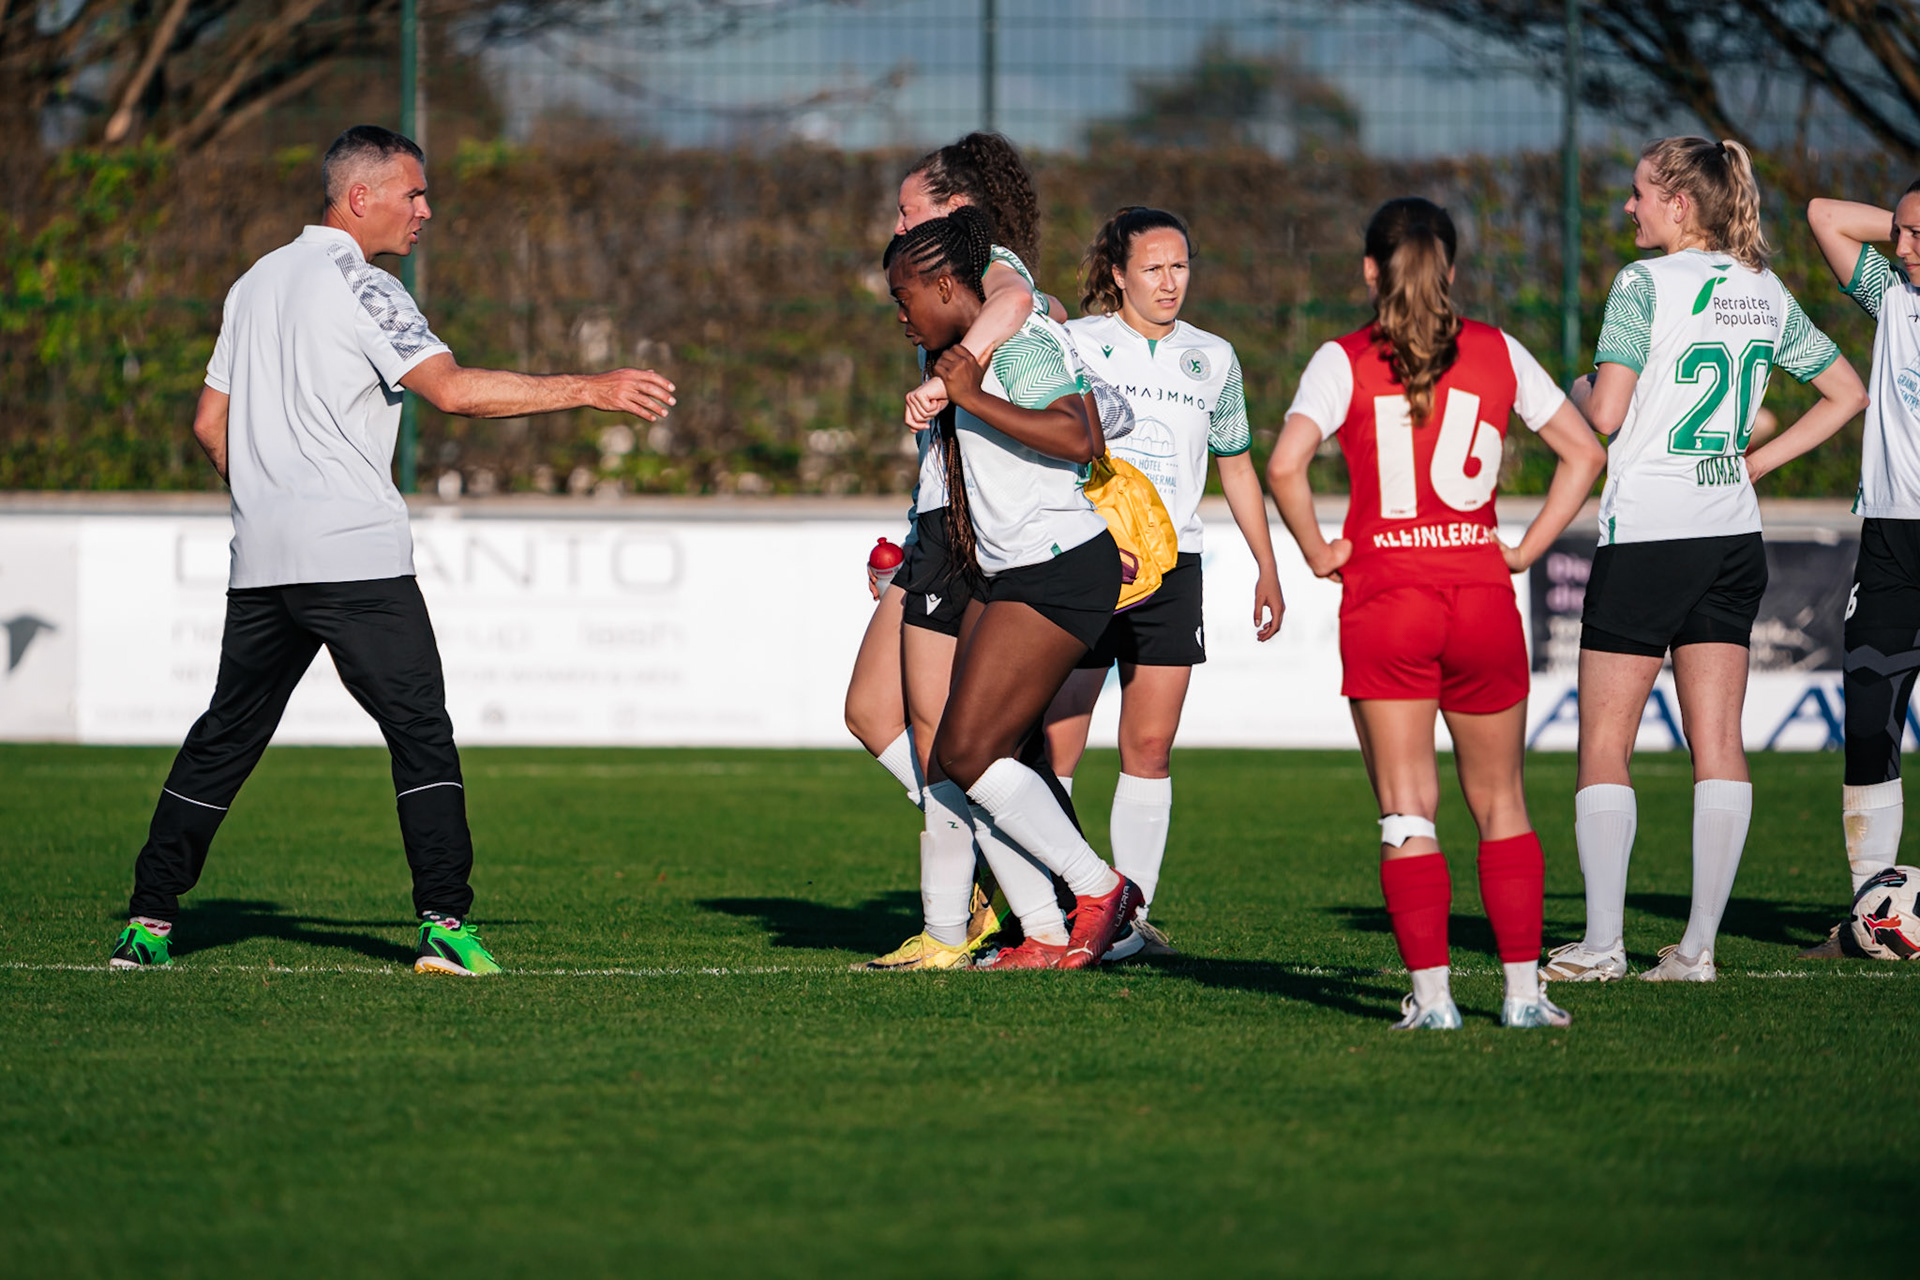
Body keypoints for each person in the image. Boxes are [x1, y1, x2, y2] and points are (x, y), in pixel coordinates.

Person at [107, 125, 675, 975]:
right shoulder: (363, 284)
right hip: (356, 559)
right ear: (358, 196)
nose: (425, 210)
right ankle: (444, 923)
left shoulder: (254, 281)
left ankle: (149, 919)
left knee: (225, 736)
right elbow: (452, 391)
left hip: (265, 561)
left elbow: (207, 423)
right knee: (419, 734)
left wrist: (269, 497)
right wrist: (589, 388)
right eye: (412, 194)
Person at [1268, 196, 1607, 1028]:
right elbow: (1586, 452)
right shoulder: (1497, 350)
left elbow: (1284, 466)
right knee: (1503, 805)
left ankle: (1435, 1002)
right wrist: (1524, 550)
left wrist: (1318, 552)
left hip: (1388, 601)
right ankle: (1525, 998)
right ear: (1452, 269)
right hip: (1483, 597)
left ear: (1370, 271)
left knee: (1408, 807)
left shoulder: (1342, 359)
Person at [1543, 138, 1867, 984]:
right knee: (1716, 739)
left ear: (1680, 204)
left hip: (1652, 530)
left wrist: (1572, 391)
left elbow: (1604, 416)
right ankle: (1697, 951)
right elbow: (1848, 393)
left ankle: (1604, 945)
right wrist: (1755, 464)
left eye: (1641, 193)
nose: (1630, 208)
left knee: (1603, 745)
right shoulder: (1762, 288)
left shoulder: (1641, 284)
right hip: (1731, 532)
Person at [887, 206, 1143, 970]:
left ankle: (1101, 890)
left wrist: (969, 396)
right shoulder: (966, 357)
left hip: (1062, 569)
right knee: (972, 756)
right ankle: (1044, 932)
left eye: (906, 299)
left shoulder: (1021, 351)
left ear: (943, 285)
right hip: (1016, 573)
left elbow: (1081, 433)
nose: (901, 317)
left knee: (967, 751)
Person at [844, 133, 1068, 971]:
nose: (898, 223)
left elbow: (1013, 299)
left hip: (973, 532)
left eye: (910, 209)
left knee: (950, 741)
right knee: (874, 713)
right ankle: (1001, 902)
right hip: (934, 525)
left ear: (956, 212)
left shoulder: (988, 268)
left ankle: (998, 917)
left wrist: (955, 371)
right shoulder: (932, 282)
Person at [1042, 207, 1285, 960]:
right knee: (1058, 745)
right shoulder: (1077, 345)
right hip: (1085, 558)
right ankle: (1053, 906)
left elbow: (1237, 461)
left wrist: (1267, 563)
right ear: (1117, 273)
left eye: (1180, 266)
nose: (1169, 281)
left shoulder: (1214, 358)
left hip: (1174, 566)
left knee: (1149, 745)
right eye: (1153, 267)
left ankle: (1125, 920)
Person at [1799, 185, 1920, 954]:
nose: (1901, 249)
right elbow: (1821, 214)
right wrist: (1905, 227)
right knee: (1870, 722)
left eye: (1915, 237)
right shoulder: (1895, 299)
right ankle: (1870, 917)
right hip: (1892, 543)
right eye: (1901, 233)